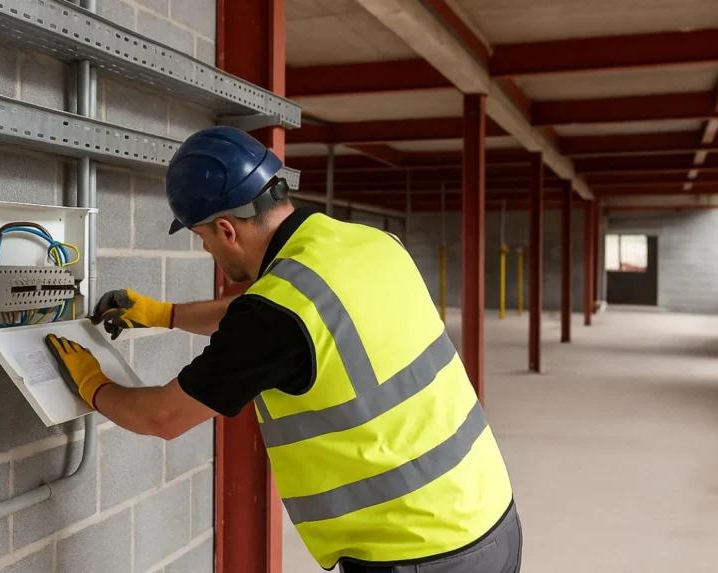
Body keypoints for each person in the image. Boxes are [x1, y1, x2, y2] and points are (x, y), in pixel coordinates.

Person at [45, 126, 522, 573]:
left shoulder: (275, 313)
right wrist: (161, 313)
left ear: (227, 229)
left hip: (418, 551)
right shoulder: (368, 244)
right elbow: (279, 317)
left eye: (203, 238)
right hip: (490, 513)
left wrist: (93, 383)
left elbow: (163, 417)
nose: (208, 251)